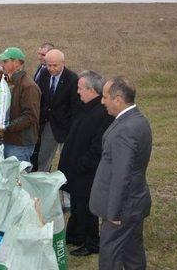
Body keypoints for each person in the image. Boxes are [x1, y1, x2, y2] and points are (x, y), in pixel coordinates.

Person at [89, 77, 152, 270]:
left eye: (105, 97)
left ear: (118, 99)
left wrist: (114, 212)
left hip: (121, 209)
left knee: (110, 256)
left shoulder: (125, 129)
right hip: (134, 203)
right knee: (132, 253)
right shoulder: (137, 119)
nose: (102, 101)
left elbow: (121, 174)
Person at [58, 70, 114, 256]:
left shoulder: (103, 113)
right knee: (76, 204)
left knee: (87, 207)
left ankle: (92, 243)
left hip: (87, 172)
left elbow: (98, 146)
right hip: (75, 169)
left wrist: (82, 165)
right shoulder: (85, 106)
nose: (78, 92)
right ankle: (75, 235)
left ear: (92, 90)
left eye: (81, 88)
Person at [35, 49, 79, 172]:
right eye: (49, 65)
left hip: (67, 125)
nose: (51, 68)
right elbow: (41, 97)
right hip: (48, 123)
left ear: (63, 63)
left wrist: (73, 127)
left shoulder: (72, 79)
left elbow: (75, 106)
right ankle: (42, 182)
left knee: (67, 159)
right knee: (44, 157)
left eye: (55, 65)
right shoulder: (44, 74)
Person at [0, 47, 41, 163]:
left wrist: (7, 127)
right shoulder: (6, 81)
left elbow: (31, 116)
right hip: (8, 139)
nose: (2, 64)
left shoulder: (29, 86)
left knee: (17, 178)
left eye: (5, 62)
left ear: (16, 63)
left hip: (20, 144)